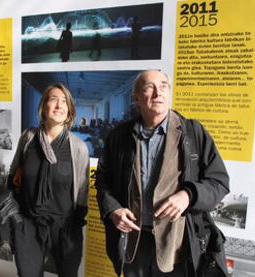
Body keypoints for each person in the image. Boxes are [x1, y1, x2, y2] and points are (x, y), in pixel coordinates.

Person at [95, 70, 230, 277]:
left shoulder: (192, 133)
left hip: (177, 245)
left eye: (164, 86)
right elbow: (103, 181)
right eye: (149, 87)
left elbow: (219, 182)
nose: (158, 93)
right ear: (136, 98)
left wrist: (188, 195)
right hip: (134, 243)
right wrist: (113, 210)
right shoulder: (119, 137)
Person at [8, 83, 89, 277]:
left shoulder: (77, 147)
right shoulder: (28, 139)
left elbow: (82, 192)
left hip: (64, 227)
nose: (59, 106)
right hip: (28, 223)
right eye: (53, 99)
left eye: (64, 102)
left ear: (69, 112)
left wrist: (74, 226)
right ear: (43, 106)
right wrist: (16, 217)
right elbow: (13, 176)